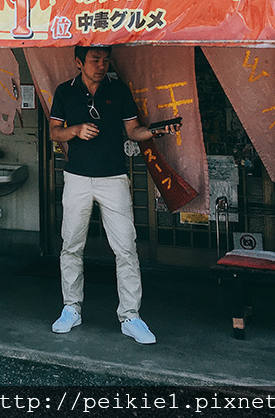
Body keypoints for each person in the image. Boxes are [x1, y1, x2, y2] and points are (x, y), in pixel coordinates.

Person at [48, 45, 177, 345]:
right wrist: (75, 130)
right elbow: (54, 131)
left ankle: (131, 316)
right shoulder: (64, 92)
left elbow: (133, 130)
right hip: (77, 177)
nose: (101, 65)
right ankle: (71, 308)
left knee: (126, 248)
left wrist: (155, 132)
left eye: (105, 60)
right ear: (79, 62)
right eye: (95, 60)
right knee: (71, 245)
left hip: (114, 178)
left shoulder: (118, 90)